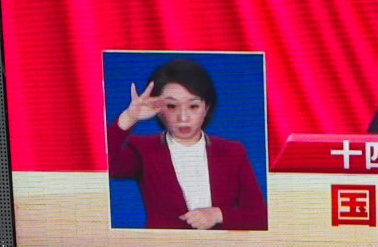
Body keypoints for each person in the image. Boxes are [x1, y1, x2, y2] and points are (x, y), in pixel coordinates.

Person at [104, 55, 267, 230]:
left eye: (193, 106)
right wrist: (129, 117)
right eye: (172, 106)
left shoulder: (233, 152)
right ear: (158, 110)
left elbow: (260, 216)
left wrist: (219, 214)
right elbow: (105, 168)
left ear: (207, 107)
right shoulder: (143, 150)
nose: (183, 118)